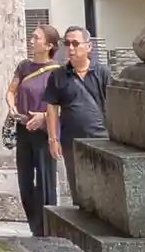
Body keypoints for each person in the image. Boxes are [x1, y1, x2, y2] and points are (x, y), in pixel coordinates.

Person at [5, 21, 61, 233]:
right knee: (25, 182)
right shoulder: (24, 67)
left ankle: (48, 230)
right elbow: (11, 91)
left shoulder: (59, 72)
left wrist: (44, 117)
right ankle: (34, 227)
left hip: (45, 133)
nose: (31, 41)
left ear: (49, 45)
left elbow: (64, 104)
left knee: (45, 182)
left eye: (36, 38)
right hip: (23, 129)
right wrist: (11, 106)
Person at [44, 26, 109, 198]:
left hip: (101, 139)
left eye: (75, 43)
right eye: (67, 44)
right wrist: (53, 139)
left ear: (88, 47)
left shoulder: (103, 73)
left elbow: (114, 105)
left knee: (103, 187)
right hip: (71, 142)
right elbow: (51, 108)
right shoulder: (58, 75)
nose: (70, 48)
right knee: (78, 189)